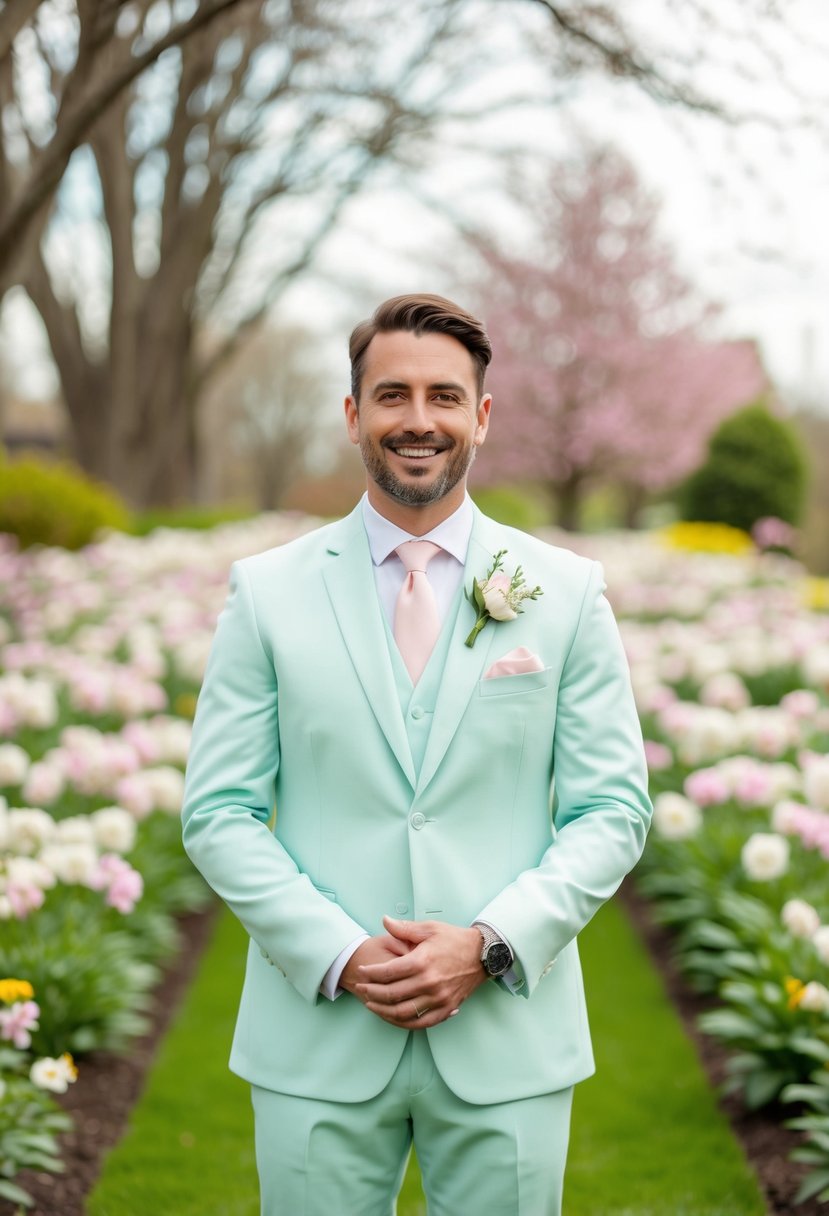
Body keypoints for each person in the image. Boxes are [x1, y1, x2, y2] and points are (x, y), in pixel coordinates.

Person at [181, 293, 652, 1216]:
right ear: (354, 416)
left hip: (507, 1036)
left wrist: (489, 945)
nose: (418, 419)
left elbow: (611, 811)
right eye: (391, 394)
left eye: (444, 395)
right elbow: (218, 812)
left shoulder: (564, 591)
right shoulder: (267, 593)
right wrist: (340, 954)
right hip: (315, 1034)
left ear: (481, 416)